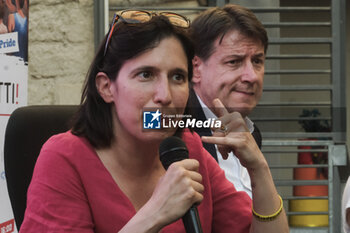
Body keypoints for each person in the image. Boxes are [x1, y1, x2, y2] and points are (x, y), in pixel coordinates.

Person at [19, 10, 288, 232]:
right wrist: (154, 213)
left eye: (177, 77)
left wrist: (259, 170)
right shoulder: (64, 158)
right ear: (106, 88)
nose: (165, 96)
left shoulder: (189, 149)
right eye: (146, 75)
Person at [188, 4, 266, 198]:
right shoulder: (172, 127)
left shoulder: (252, 134)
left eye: (257, 61)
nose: (252, 76)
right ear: (196, 69)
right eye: (234, 62)